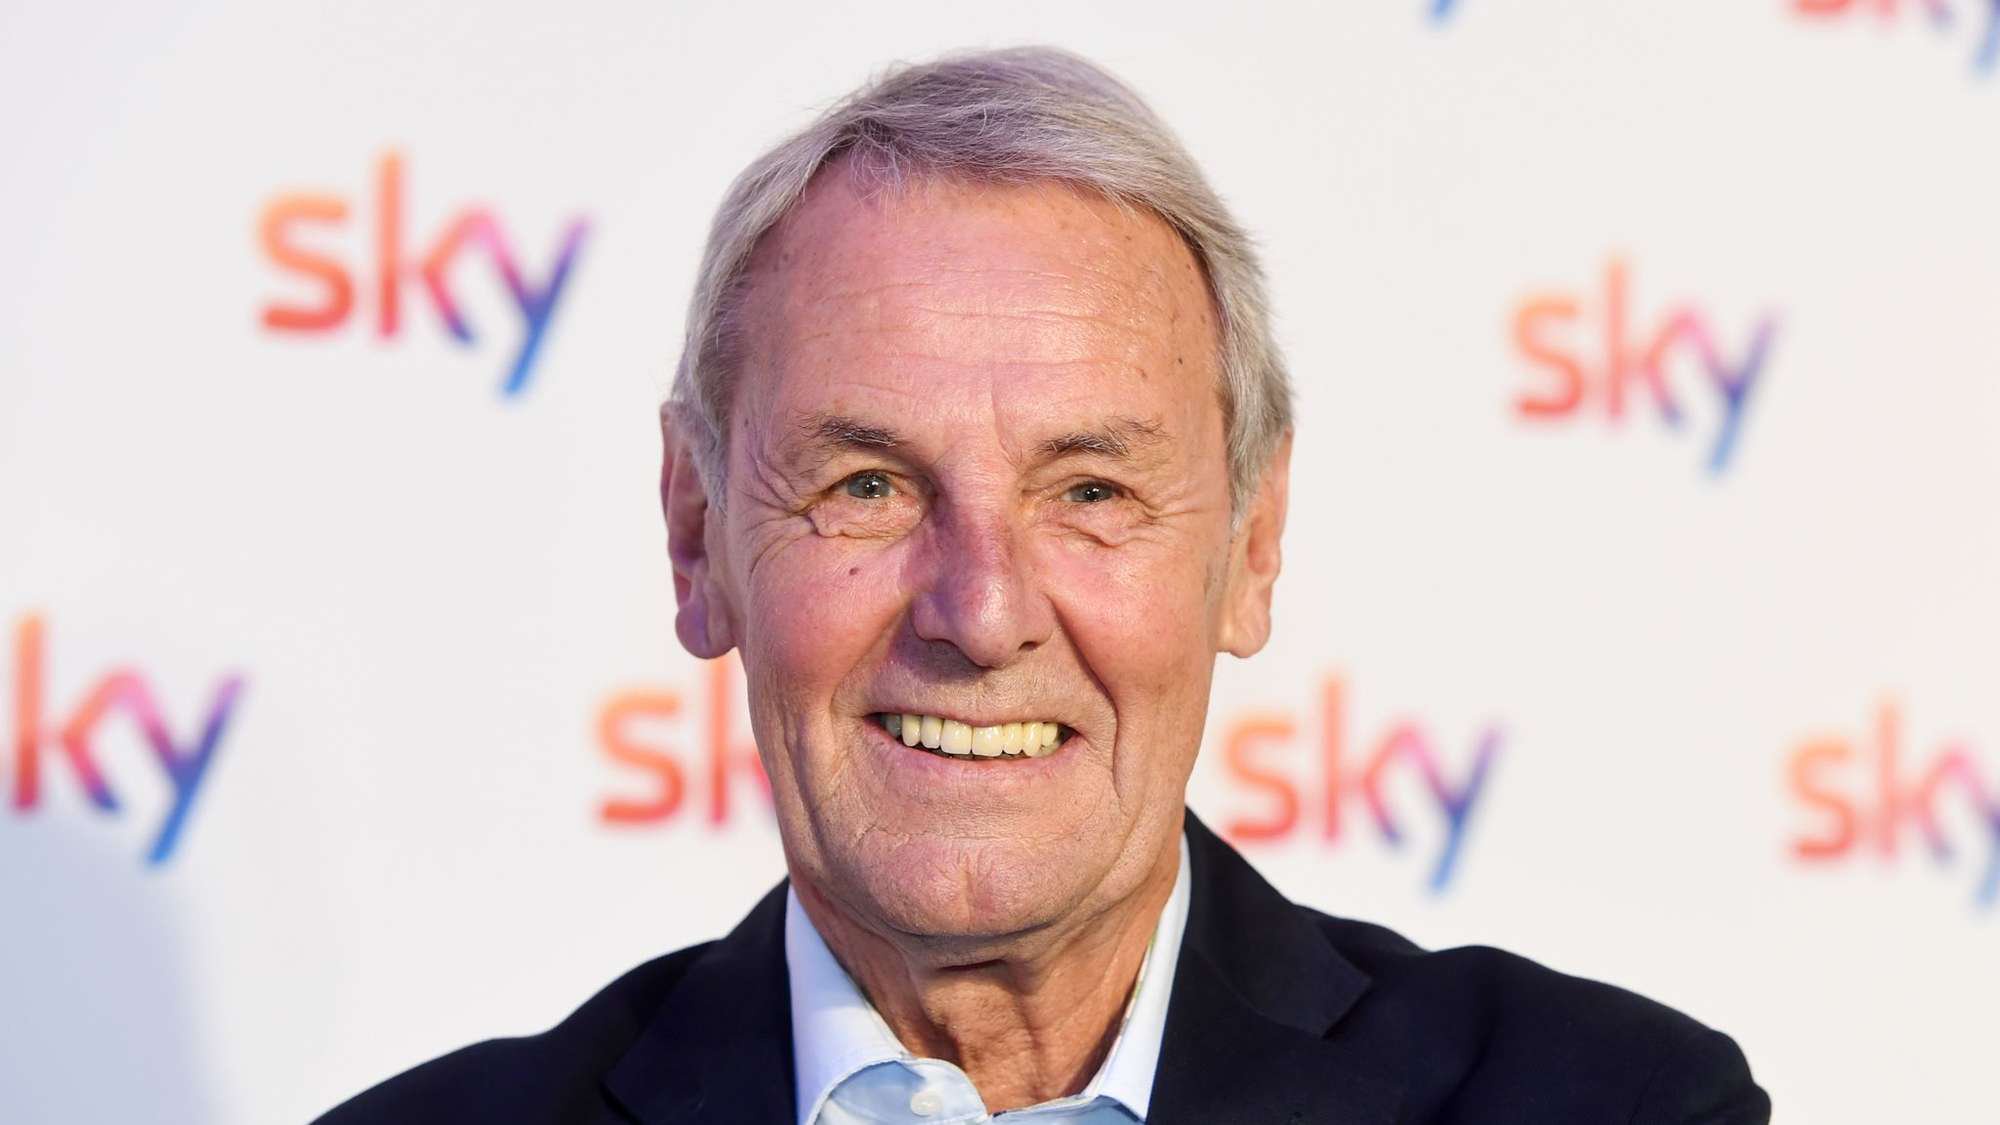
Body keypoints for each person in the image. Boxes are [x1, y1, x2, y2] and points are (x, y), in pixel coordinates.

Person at [317, 47, 1770, 1124]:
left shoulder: (1614, 1106)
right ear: (697, 537)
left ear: (1252, 545)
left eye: (1090, 492)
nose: (983, 610)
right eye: (868, 484)